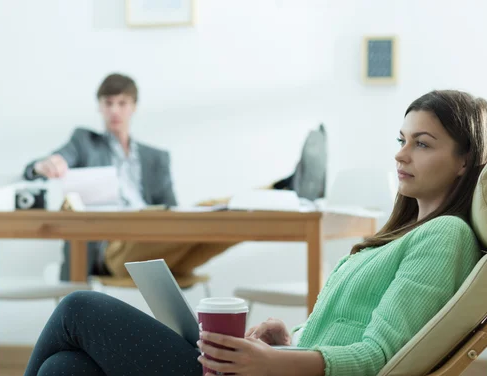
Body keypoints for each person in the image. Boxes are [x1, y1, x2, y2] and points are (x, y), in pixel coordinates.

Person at [15, 89, 487, 376]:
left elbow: (378, 358)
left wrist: (274, 365)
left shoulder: (445, 236)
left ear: (466, 160)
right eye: (401, 139)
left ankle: (283, 189)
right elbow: (351, 336)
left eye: (422, 143)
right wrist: (288, 341)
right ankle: (283, 187)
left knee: (79, 308)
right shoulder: (404, 236)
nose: (401, 153)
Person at [22, 73, 328, 287]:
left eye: (122, 103)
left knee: (225, 218)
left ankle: (288, 192)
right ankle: (287, 187)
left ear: (134, 107)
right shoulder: (83, 141)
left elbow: (175, 212)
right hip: (114, 251)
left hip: (158, 242)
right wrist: (44, 165)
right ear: (100, 107)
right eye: (108, 103)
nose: (115, 110)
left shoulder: (155, 158)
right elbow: (40, 166)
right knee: (211, 212)